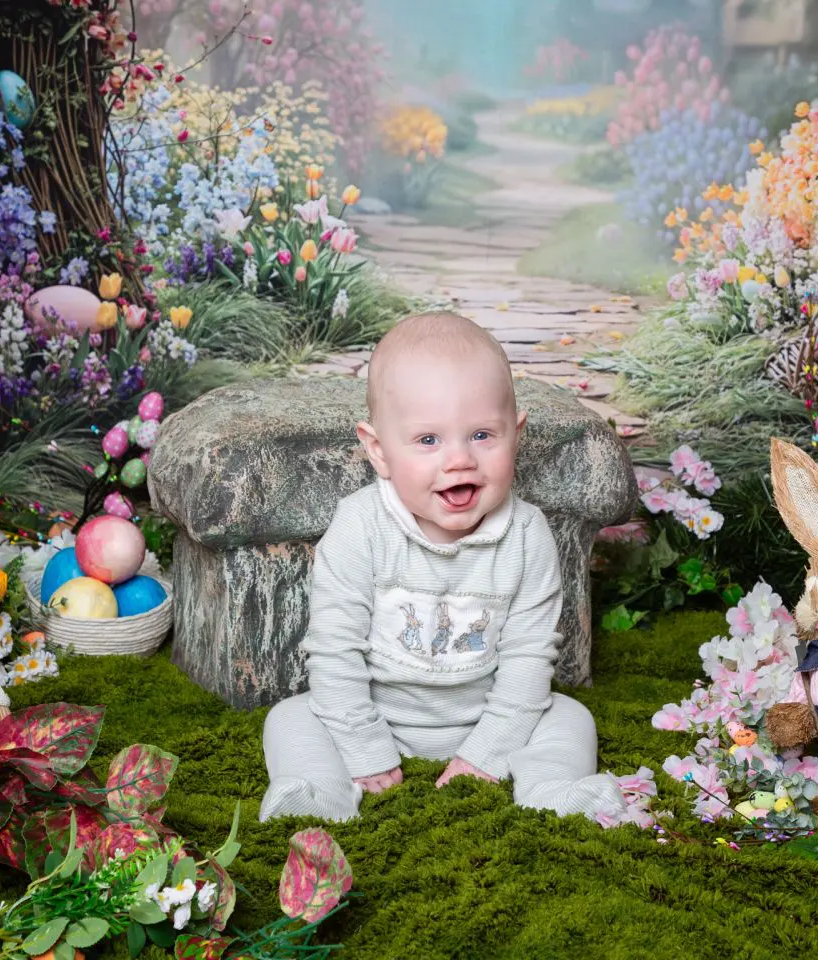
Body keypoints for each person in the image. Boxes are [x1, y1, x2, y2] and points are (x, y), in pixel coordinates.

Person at [260, 312, 629, 823]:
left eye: (482, 435)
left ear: (515, 436)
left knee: (569, 717)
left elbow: (528, 658)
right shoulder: (360, 526)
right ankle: (319, 793)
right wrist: (365, 748)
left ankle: (554, 790)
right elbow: (334, 650)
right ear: (378, 450)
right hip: (378, 712)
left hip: (483, 714)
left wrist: (486, 752)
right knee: (290, 718)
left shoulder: (526, 535)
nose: (459, 460)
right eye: (428, 440)